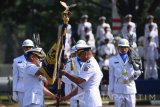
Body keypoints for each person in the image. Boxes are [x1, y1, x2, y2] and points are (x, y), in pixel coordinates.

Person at [108, 38, 142, 107]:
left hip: (130, 87)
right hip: (118, 88)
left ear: (128, 48)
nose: (123, 49)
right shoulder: (112, 60)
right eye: (121, 47)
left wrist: (136, 74)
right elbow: (111, 77)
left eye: (125, 47)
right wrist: (110, 89)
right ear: (118, 48)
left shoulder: (134, 58)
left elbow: (138, 71)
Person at [12, 39, 34, 107]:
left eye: (30, 47)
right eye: (26, 47)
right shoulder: (16, 60)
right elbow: (15, 77)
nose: (28, 48)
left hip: (33, 89)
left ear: (32, 48)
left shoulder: (37, 60)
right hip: (22, 89)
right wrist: (14, 92)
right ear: (23, 48)